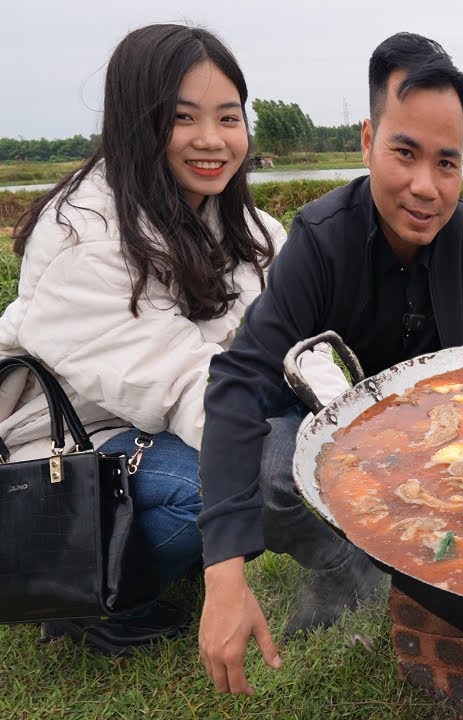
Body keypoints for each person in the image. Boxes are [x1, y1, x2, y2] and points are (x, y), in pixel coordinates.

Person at [197, 33, 463, 695]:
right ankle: (355, 578)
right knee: (276, 476)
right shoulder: (319, 239)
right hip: (326, 430)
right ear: (369, 137)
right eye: (404, 153)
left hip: (437, 437)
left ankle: (417, 575)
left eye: (447, 164)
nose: (425, 187)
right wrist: (223, 569)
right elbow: (236, 382)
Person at [0, 24, 280, 655]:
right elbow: (183, 381)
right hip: (61, 445)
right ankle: (87, 593)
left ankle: (142, 557)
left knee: (257, 455)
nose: (212, 140)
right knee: (234, 479)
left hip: (147, 421)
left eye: (228, 117)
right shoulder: (87, 236)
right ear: (137, 122)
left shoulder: (241, 224)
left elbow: (292, 334)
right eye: (183, 118)